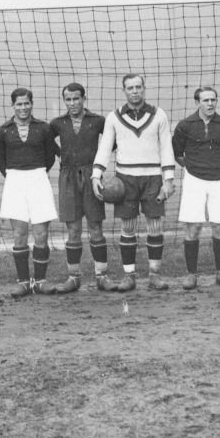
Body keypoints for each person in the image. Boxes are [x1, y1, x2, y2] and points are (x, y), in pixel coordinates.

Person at [91, 74, 175, 292]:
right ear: (124, 91)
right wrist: (96, 174)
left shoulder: (159, 115)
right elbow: (104, 148)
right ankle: (130, 276)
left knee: (155, 226)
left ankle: (154, 276)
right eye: (130, 88)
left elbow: (167, 148)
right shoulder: (114, 117)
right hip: (125, 179)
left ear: (144, 88)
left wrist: (169, 180)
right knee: (127, 227)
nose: (135, 91)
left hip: (153, 178)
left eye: (138, 87)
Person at [50, 83, 117, 293]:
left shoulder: (98, 121)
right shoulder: (57, 123)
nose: (72, 103)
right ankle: (73, 277)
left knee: (96, 227)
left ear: (83, 99)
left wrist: (98, 163)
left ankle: (102, 276)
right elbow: (46, 142)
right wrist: (62, 154)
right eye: (68, 100)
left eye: (76, 99)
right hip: (68, 176)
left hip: (91, 176)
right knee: (74, 230)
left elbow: (110, 144)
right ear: (64, 101)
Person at [0, 88, 59, 297]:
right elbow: (0, 161)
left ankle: (40, 281)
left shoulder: (44, 128)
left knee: (41, 233)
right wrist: (17, 176)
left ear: (32, 104)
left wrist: (35, 173)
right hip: (14, 181)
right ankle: (23, 282)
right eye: (19, 104)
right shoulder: (3, 130)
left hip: (39, 178)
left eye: (26, 103)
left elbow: (50, 157)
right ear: (12, 106)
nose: (23, 108)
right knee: (19, 233)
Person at [172, 87, 220, 289]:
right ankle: (191, 274)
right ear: (197, 102)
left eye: (213, 100)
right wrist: (194, 167)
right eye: (206, 100)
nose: (210, 104)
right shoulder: (185, 125)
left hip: (218, 179)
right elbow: (177, 153)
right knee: (193, 227)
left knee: (219, 226)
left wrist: (214, 165)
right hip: (194, 179)